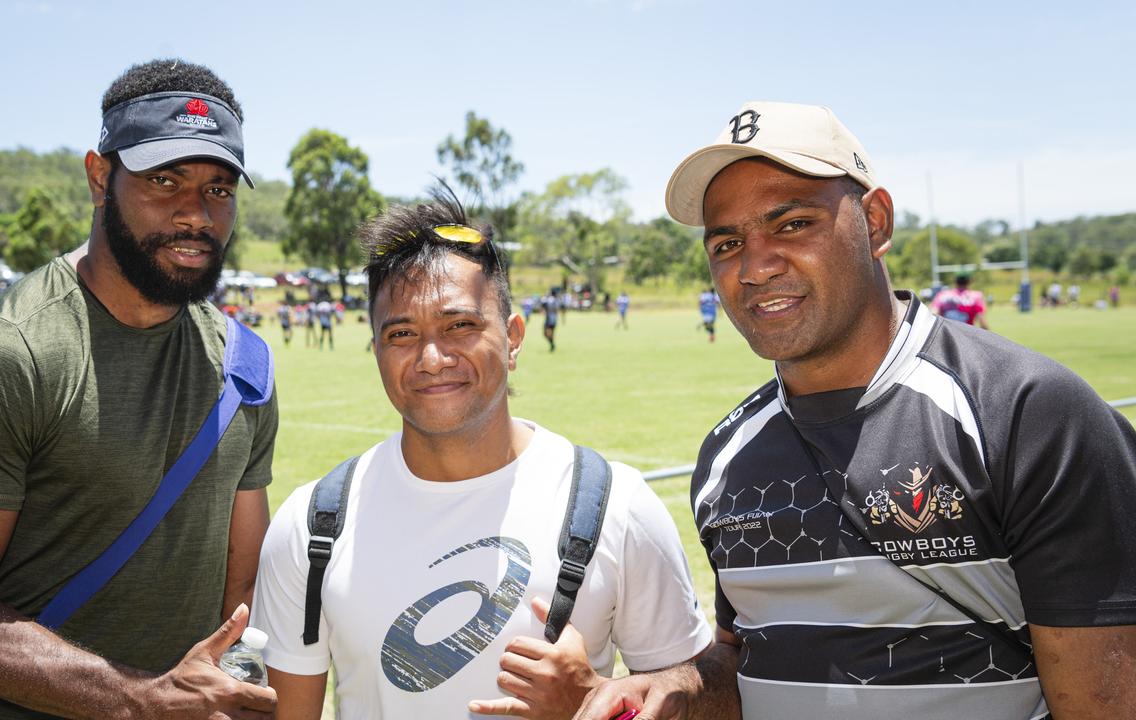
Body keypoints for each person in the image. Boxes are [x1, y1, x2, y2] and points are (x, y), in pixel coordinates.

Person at [576, 101, 1136, 720]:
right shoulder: (726, 458)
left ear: (874, 221)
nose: (756, 267)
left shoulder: (1027, 413)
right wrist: (679, 688)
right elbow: (756, 661)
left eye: (791, 225)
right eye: (728, 242)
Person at [0, 59, 279, 720]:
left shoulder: (244, 364)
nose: (196, 213)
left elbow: (239, 593)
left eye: (218, 188)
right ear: (100, 177)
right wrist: (138, 699)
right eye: (164, 179)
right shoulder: (3, 352)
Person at [252, 188, 712, 720]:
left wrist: (595, 704)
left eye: (460, 326)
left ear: (513, 337)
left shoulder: (616, 506)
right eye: (402, 333)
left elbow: (703, 698)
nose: (432, 358)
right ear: (375, 348)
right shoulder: (312, 526)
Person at [542, 288, 560, 352]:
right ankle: (552, 346)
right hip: (554, 319)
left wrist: (546, 295)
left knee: (545, 334)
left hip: (549, 319)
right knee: (551, 334)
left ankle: (552, 345)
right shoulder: (556, 300)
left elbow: (543, 303)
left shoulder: (550, 299)